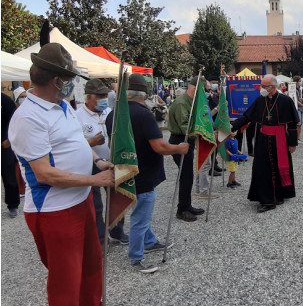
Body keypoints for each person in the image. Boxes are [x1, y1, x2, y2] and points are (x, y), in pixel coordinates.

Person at [8, 42, 115, 305]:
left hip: (81, 200)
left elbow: (76, 141)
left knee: (91, 268)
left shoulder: (64, 106)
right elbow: (44, 174)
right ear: (57, 81)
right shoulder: (28, 117)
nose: (71, 85)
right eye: (69, 80)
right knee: (66, 282)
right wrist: (95, 180)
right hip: (55, 210)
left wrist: (98, 162)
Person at [106, 73, 189, 273]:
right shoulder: (143, 115)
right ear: (145, 93)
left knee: (142, 212)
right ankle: (136, 256)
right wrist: (179, 148)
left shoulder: (114, 113)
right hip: (142, 174)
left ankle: (150, 241)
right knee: (141, 217)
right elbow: (159, 146)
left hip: (124, 171)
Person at [231, 74, 299, 213]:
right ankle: (266, 199)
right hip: (262, 139)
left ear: (273, 87)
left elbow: (292, 124)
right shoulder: (260, 100)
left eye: (264, 86)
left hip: (279, 138)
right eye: (262, 85)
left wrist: (292, 143)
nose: (262, 88)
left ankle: (278, 196)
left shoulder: (285, 101)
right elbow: (246, 117)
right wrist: (232, 126)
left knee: (279, 166)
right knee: (262, 169)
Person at [75, 78, 128, 245]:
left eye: (105, 95)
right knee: (96, 204)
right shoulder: (77, 116)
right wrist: (91, 143)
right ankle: (100, 238)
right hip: (90, 165)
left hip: (112, 162)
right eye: (100, 96)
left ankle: (117, 232)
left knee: (117, 199)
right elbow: (73, 144)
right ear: (88, 97)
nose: (104, 98)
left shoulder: (110, 112)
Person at [167, 76, 208, 222]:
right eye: (203, 91)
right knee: (185, 176)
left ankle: (187, 205)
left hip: (187, 141)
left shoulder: (190, 101)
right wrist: (203, 133)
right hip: (180, 141)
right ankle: (182, 210)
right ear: (195, 89)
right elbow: (185, 126)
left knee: (188, 176)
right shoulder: (181, 103)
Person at [1, 92, 20, 218]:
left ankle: (13, 204)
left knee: (9, 176)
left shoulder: (4, 100)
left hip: (4, 145)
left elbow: (15, 121)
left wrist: (8, 140)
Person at [294, 76, 303, 143]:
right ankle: (297, 138)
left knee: (300, 124)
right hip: (298, 108)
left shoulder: (299, 89)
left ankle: (299, 137)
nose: (301, 82)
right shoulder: (295, 89)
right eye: (299, 81)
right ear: (296, 82)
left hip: (300, 108)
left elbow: (299, 99)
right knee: (298, 124)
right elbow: (296, 100)